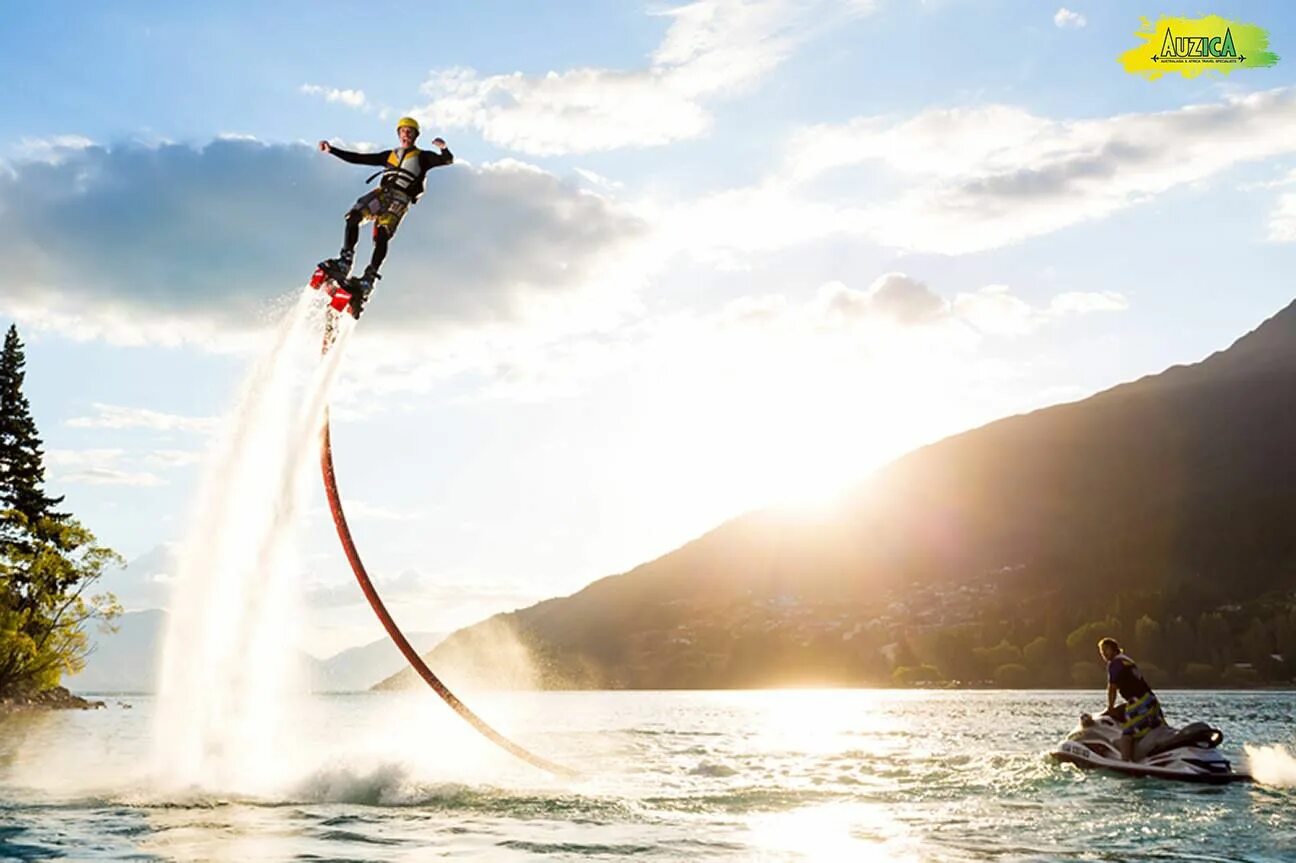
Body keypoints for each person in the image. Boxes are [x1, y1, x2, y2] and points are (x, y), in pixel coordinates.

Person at [316, 116, 453, 316]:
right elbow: (359, 158)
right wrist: (332, 150)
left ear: (416, 135)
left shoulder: (423, 157)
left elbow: (447, 160)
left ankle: (369, 277)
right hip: (382, 193)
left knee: (382, 233)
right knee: (353, 216)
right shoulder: (389, 155)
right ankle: (345, 259)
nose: (406, 134)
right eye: (403, 131)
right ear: (398, 134)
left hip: (400, 198)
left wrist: (444, 148)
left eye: (410, 131)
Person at [1098, 637, 1164, 762]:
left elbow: (1112, 688)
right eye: (1102, 651)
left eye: (1106, 649)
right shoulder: (1127, 660)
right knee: (1153, 729)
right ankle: (1151, 758)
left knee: (1127, 733)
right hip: (1151, 700)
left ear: (1114, 649)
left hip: (1139, 702)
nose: (1104, 654)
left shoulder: (1115, 663)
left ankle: (1126, 762)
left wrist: (1110, 708)